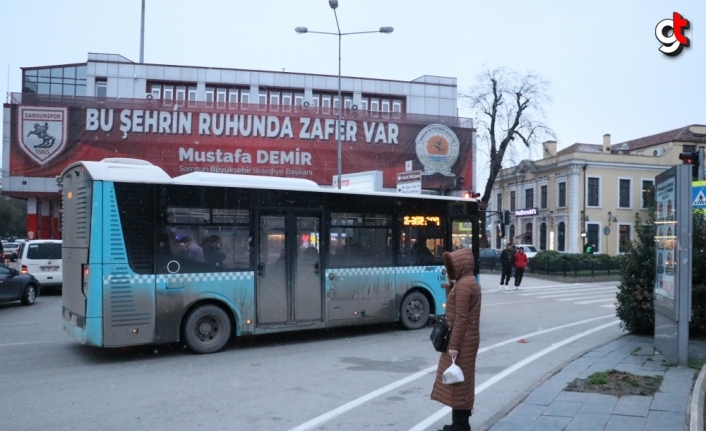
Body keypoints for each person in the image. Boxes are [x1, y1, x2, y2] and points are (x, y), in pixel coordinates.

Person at [430, 247, 481, 431]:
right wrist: (451, 287)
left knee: (458, 383)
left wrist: (453, 345)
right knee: (461, 382)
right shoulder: (467, 282)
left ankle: (460, 426)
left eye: (452, 265)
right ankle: (460, 423)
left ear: (460, 265)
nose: (450, 268)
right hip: (468, 339)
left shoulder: (464, 286)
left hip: (463, 340)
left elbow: (460, 318)